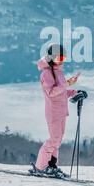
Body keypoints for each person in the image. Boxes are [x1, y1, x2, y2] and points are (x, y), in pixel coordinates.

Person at [33, 43, 79, 176]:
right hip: (53, 112)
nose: (62, 61)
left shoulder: (58, 72)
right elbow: (52, 92)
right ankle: (40, 167)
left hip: (61, 112)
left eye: (64, 59)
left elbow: (62, 92)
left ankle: (51, 165)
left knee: (57, 140)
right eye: (60, 58)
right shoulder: (46, 74)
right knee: (54, 139)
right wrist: (67, 83)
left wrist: (75, 92)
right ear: (52, 57)